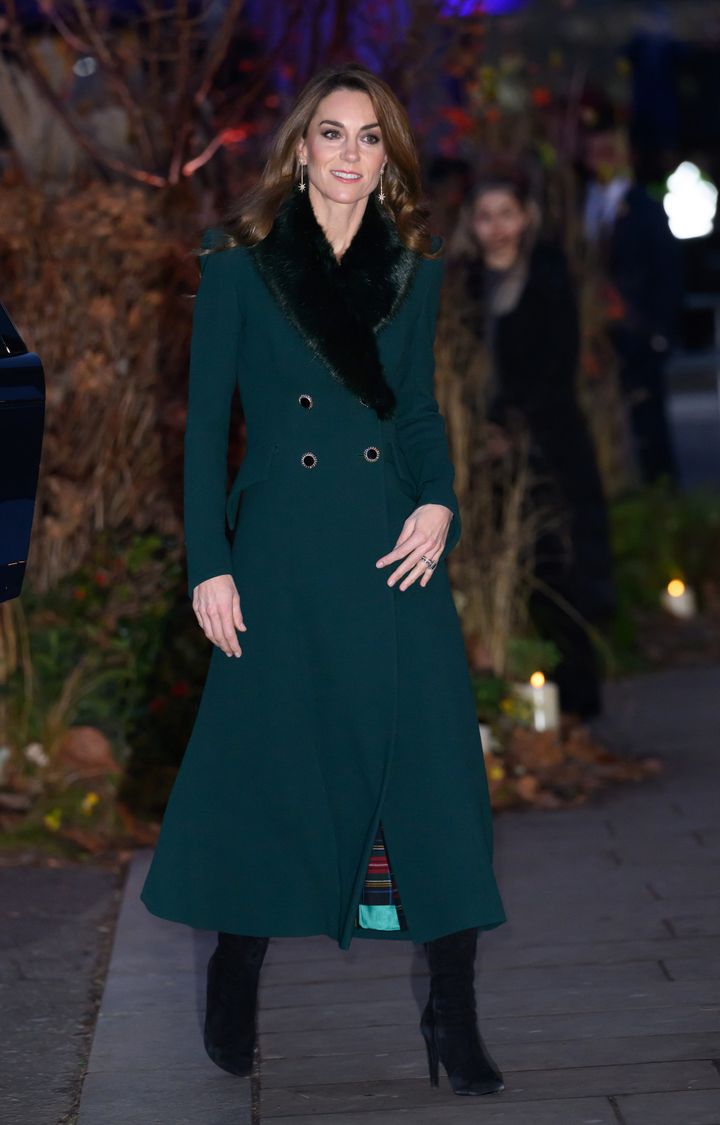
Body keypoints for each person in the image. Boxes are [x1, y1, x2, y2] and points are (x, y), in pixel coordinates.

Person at [140, 63, 507, 1097]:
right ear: (300, 148)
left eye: (371, 137)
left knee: (435, 772)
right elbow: (206, 429)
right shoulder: (239, 265)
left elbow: (416, 409)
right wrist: (210, 564)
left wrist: (440, 502)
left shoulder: (414, 268)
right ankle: (235, 968)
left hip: (393, 547)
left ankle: (453, 1010)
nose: (351, 153)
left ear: (388, 159)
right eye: (334, 133)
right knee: (270, 769)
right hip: (281, 555)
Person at [448, 171, 615, 720]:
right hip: (484, 452)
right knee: (504, 565)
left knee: (558, 564)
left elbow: (555, 367)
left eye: (506, 214)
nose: (496, 227)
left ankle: (577, 693)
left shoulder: (547, 276)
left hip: (547, 444)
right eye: (484, 217)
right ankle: (514, 691)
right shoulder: (465, 286)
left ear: (525, 218)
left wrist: (514, 429)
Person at [582, 120, 683, 484]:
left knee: (648, 417)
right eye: (595, 153)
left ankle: (660, 491)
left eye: (609, 152)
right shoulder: (579, 204)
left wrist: (659, 331)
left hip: (637, 328)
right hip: (594, 330)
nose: (602, 160)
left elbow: (668, 272)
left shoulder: (645, 207)